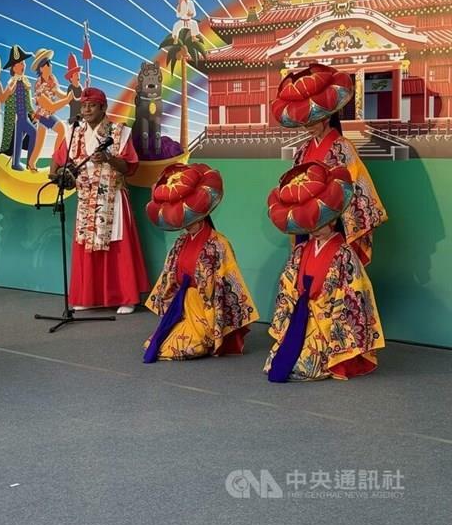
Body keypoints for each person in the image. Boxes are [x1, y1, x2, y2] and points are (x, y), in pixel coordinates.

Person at [264, 161, 385, 382]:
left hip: (327, 319)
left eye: (321, 225)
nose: (315, 231)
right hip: (303, 313)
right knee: (276, 364)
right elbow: (288, 282)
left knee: (304, 368)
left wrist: (323, 304)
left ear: (333, 221)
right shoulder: (302, 250)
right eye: (310, 227)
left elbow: (354, 291)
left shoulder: (344, 253)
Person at [271, 62, 387, 265]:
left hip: (335, 229)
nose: (308, 128)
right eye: (304, 124)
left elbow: (359, 193)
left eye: (312, 122)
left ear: (327, 117)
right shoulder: (301, 152)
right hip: (308, 230)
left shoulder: (343, 148)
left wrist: (332, 218)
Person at [143, 163, 259, 361]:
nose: (187, 227)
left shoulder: (218, 243)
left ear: (202, 215)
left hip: (206, 310)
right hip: (184, 306)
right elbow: (169, 275)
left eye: (190, 221)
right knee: (157, 344)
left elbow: (228, 281)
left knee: (187, 348)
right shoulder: (180, 242)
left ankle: (208, 336)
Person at [48, 87, 149, 314]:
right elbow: (56, 165)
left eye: (91, 105)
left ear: (103, 107)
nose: (86, 110)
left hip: (112, 195)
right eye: (83, 106)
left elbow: (130, 167)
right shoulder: (75, 133)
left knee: (117, 246)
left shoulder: (119, 132)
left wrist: (109, 158)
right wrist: (61, 178)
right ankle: (88, 296)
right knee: (86, 247)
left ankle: (127, 298)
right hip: (86, 199)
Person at [26, 48, 72, 172]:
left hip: (46, 114)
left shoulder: (52, 78)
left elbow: (58, 92)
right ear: (41, 68)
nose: (50, 65)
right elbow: (50, 106)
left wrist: (70, 95)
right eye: (47, 63)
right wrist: (67, 100)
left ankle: (31, 163)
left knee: (40, 141)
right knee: (62, 129)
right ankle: (55, 159)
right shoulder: (39, 85)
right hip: (43, 115)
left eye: (50, 62)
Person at [0, 45, 36, 171]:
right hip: (17, 119)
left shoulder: (25, 82)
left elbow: (28, 103)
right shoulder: (11, 82)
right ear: (14, 67)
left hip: (24, 116)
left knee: (21, 138)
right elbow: (2, 99)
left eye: (24, 62)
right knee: (27, 135)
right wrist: (8, 92)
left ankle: (20, 163)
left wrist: (33, 114)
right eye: (20, 63)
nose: (23, 65)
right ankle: (24, 163)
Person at [64, 53, 83, 124]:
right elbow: (72, 100)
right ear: (71, 78)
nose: (78, 76)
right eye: (76, 74)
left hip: (82, 116)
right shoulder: (70, 88)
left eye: (78, 73)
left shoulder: (80, 87)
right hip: (74, 117)